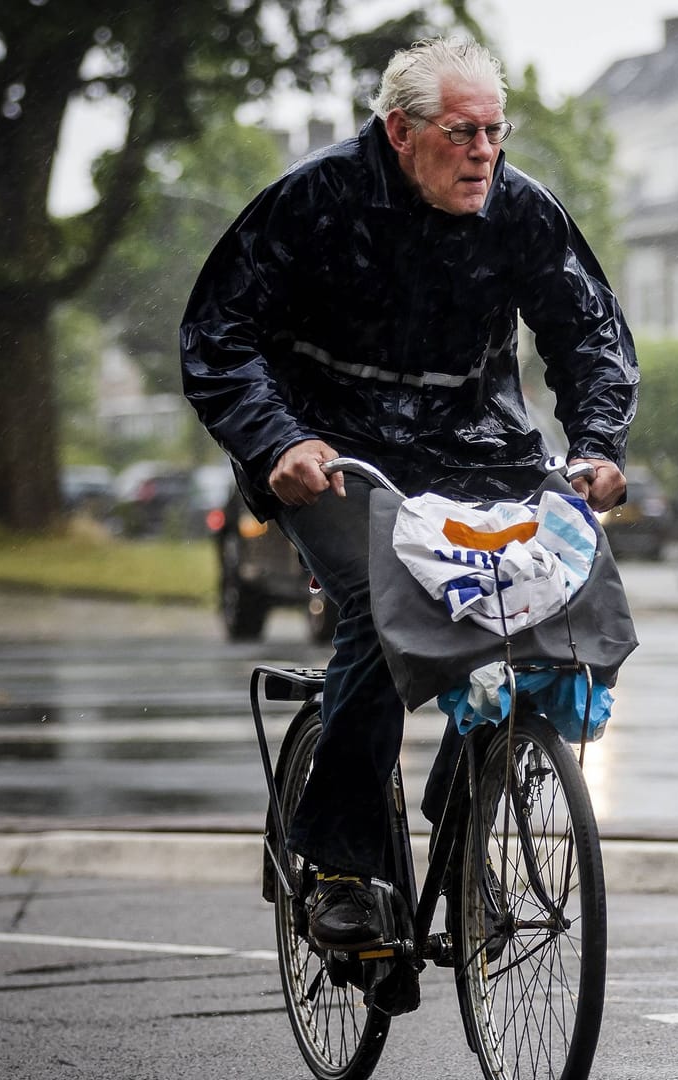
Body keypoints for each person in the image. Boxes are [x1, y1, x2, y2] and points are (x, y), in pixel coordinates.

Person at [180, 38, 638, 950]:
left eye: (494, 132)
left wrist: (594, 446)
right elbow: (219, 334)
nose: (483, 153)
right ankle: (342, 865)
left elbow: (589, 333)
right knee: (380, 602)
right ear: (400, 131)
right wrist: (278, 441)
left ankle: (467, 806)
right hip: (328, 449)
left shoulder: (518, 209)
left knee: (554, 602)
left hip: (475, 445)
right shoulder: (315, 201)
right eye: (461, 132)